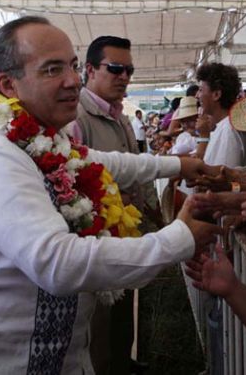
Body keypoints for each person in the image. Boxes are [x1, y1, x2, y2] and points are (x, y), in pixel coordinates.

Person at [0, 16, 223, 374]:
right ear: (8, 85)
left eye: (71, 65)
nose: (72, 80)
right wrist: (180, 238)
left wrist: (179, 165)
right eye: (52, 69)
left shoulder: (42, 140)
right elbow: (58, 263)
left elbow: (104, 162)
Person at [66, 35, 151, 375]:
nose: (124, 77)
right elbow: (67, 188)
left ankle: (122, 362)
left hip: (123, 238)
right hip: (94, 244)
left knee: (122, 312)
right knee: (98, 322)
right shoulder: (77, 119)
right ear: (89, 70)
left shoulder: (121, 116)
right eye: (115, 69)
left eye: (128, 70)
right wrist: (114, 199)